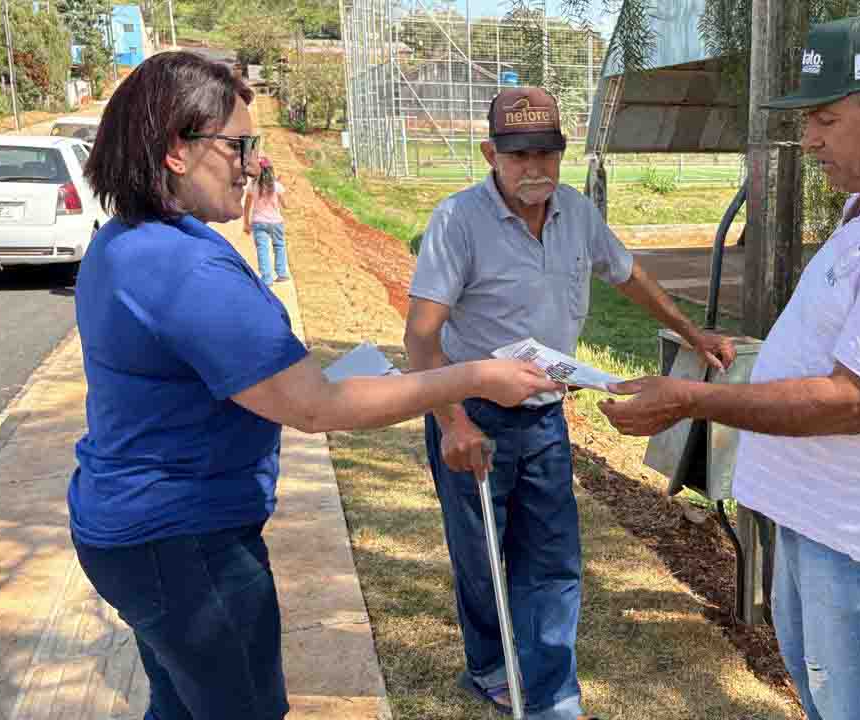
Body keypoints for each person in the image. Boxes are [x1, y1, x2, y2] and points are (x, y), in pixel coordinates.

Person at [69, 51, 560, 720]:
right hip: (184, 543)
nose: (251, 163)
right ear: (175, 152)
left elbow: (254, 384)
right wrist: (476, 376)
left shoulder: (128, 242)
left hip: (137, 531)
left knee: (181, 707)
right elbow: (313, 407)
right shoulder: (182, 268)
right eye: (238, 145)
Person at [599, 17, 860, 720]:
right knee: (825, 702)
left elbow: (850, 401)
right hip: (818, 519)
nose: (809, 139)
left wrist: (691, 398)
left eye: (825, 119)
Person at [404, 86, 736, 720]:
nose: (535, 170)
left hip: (546, 415)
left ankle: (552, 692)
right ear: (490, 155)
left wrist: (694, 333)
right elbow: (420, 335)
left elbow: (629, 274)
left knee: (553, 556)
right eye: (518, 155)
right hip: (471, 413)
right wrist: (452, 421)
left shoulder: (577, 214)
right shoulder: (458, 221)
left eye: (547, 154)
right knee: (481, 554)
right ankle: (489, 665)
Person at [243, 156, 291, 284]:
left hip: (258, 222)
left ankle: (267, 278)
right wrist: (280, 185)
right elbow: (286, 205)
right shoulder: (276, 186)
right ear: (270, 170)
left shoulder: (252, 186)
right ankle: (282, 273)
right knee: (279, 246)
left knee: (262, 249)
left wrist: (246, 223)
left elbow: (247, 206)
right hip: (276, 222)